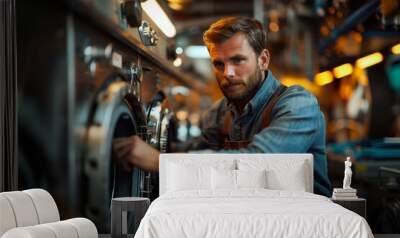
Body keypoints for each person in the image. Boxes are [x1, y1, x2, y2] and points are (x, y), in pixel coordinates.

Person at [113, 16, 332, 197]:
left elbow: (260, 162)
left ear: (263, 60)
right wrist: (137, 147)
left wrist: (161, 162)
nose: (227, 72)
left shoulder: (298, 105)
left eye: (238, 60)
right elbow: (192, 152)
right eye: (219, 63)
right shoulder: (219, 113)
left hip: (306, 227)